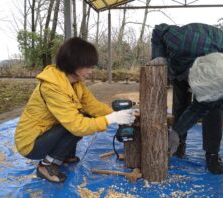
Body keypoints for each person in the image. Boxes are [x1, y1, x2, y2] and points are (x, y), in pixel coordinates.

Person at [15, 37, 135, 183]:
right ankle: (46, 166)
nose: (91, 71)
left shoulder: (75, 83)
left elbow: (93, 106)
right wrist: (112, 119)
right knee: (77, 123)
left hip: (48, 132)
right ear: (73, 64)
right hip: (31, 143)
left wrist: (116, 114)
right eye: (88, 66)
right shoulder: (52, 86)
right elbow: (77, 126)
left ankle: (62, 155)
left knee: (84, 116)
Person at [150, 23, 223, 174]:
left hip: (208, 69)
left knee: (214, 107)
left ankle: (212, 154)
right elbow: (159, 30)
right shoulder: (180, 41)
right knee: (180, 104)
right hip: (180, 63)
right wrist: (158, 56)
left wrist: (214, 105)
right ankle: (179, 143)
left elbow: (203, 106)